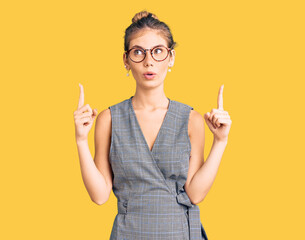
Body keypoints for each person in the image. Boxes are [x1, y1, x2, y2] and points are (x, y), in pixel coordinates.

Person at [73, 10, 232, 240]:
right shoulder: (109, 118)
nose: (149, 61)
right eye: (138, 52)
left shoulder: (191, 119)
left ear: (171, 58)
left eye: (158, 51)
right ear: (126, 60)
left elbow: (195, 194)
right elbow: (99, 195)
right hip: (129, 234)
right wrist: (80, 140)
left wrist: (220, 141)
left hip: (180, 233)